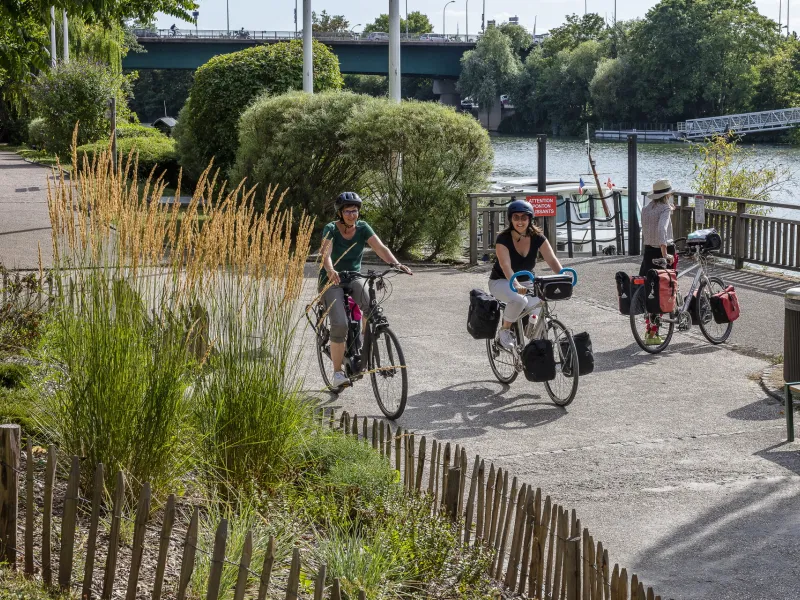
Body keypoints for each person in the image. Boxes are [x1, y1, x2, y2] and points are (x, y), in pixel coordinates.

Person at [319, 192, 413, 389]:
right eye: (347, 211)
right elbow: (325, 255)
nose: (352, 215)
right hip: (332, 279)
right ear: (340, 213)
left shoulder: (362, 228)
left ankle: (360, 341)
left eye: (355, 210)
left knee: (371, 308)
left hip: (353, 276)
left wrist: (396, 263)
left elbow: (380, 247)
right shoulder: (331, 229)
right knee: (340, 324)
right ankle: (337, 373)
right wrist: (330, 270)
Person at [489, 199, 563, 351]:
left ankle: (530, 345)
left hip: (528, 282)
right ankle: (505, 332)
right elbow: (506, 266)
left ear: (530, 219)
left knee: (538, 307)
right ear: (511, 219)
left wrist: (563, 276)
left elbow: (551, 259)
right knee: (519, 300)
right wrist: (516, 284)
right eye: (516, 217)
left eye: (524, 217)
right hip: (502, 281)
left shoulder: (538, 238)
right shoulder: (503, 239)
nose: (520, 221)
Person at [639, 178, 677, 345]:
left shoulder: (646, 209)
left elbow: (647, 231)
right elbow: (662, 231)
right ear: (667, 195)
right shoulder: (665, 209)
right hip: (661, 251)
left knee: (650, 291)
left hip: (648, 252)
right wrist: (665, 254)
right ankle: (653, 334)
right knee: (663, 291)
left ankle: (649, 330)